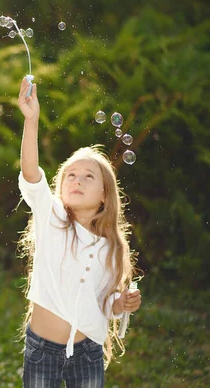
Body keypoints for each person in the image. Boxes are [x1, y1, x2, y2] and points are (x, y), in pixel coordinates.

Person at [16, 77, 142, 387]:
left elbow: (108, 301)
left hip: (88, 353)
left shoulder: (111, 247)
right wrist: (31, 120)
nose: (77, 180)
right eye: (71, 174)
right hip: (41, 351)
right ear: (60, 186)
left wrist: (121, 302)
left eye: (88, 176)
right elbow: (31, 175)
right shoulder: (52, 216)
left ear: (104, 195)